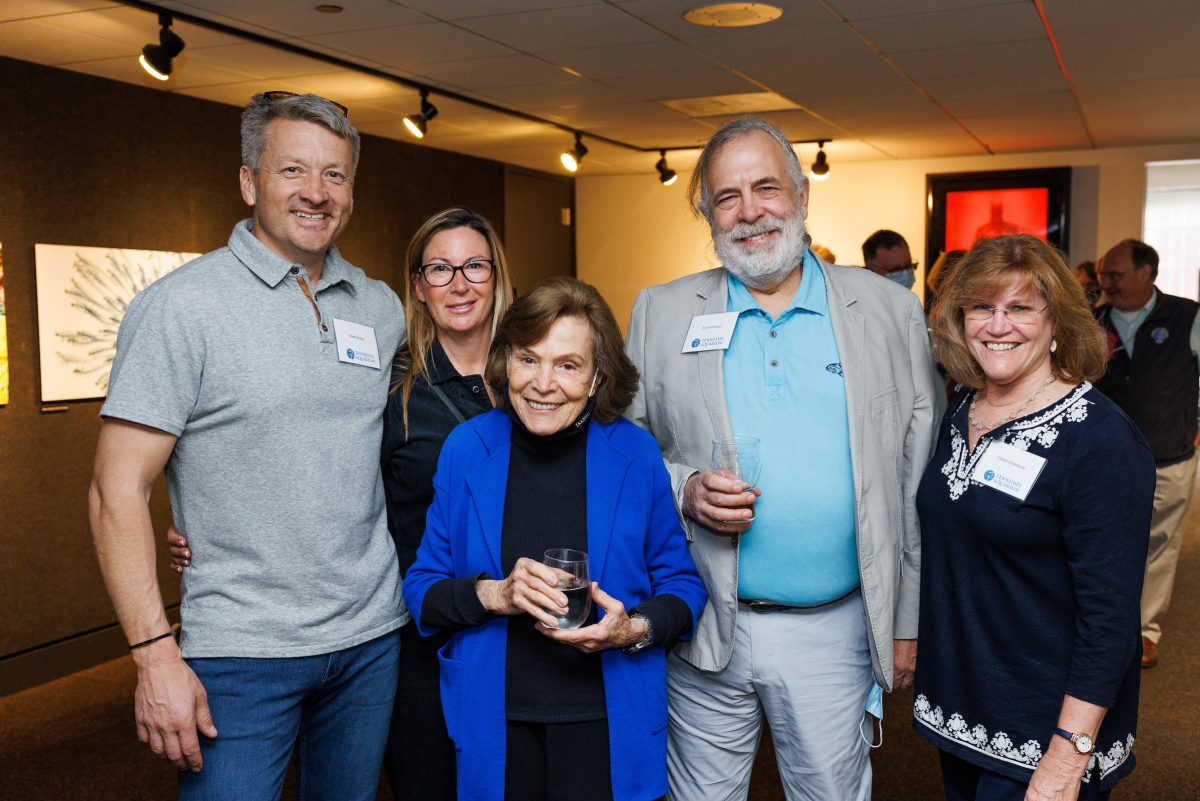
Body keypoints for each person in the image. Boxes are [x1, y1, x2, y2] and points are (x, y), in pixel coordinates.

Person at [88, 92, 405, 801]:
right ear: (248, 181)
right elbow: (116, 489)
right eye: (294, 170)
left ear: (351, 189)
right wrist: (152, 655)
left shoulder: (380, 307)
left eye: (334, 175)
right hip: (239, 649)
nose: (316, 193)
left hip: (370, 637)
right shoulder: (182, 307)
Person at [625, 117, 937, 801]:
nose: (750, 211)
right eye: (727, 197)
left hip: (833, 626)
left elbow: (917, 480)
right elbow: (625, 454)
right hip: (703, 619)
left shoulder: (888, 311)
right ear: (707, 213)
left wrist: (906, 619)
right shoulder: (661, 312)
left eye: (766, 187)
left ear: (801, 195)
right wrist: (685, 489)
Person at [169, 206, 513, 799]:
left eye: (474, 265)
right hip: (418, 627)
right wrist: (199, 519)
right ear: (417, 286)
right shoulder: (391, 383)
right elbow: (312, 461)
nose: (458, 283)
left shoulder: (532, 377)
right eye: (439, 268)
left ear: (498, 275)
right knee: (426, 780)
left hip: (523, 623)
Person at [403, 277, 707, 801]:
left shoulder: (634, 455)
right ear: (505, 363)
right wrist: (496, 594)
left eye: (567, 365)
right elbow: (422, 589)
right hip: (494, 717)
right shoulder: (466, 449)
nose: (543, 383)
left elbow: (683, 587)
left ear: (596, 377)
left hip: (607, 719)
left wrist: (631, 629)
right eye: (528, 359)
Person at [914, 234, 1154, 801]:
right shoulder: (964, 407)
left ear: (1057, 322)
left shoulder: (1100, 439)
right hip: (969, 710)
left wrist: (1067, 757)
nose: (998, 326)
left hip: (1047, 728)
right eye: (982, 307)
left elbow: (1111, 619)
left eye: (1020, 308)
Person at [1095, 238, 1200, 668]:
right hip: (1106, 460)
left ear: (1146, 273)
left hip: (1169, 453)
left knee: (1159, 544)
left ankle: (1144, 632)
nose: (1107, 283)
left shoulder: (1186, 315)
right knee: (1106, 544)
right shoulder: (1092, 319)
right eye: (1104, 274)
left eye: (1115, 275)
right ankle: (1104, 627)